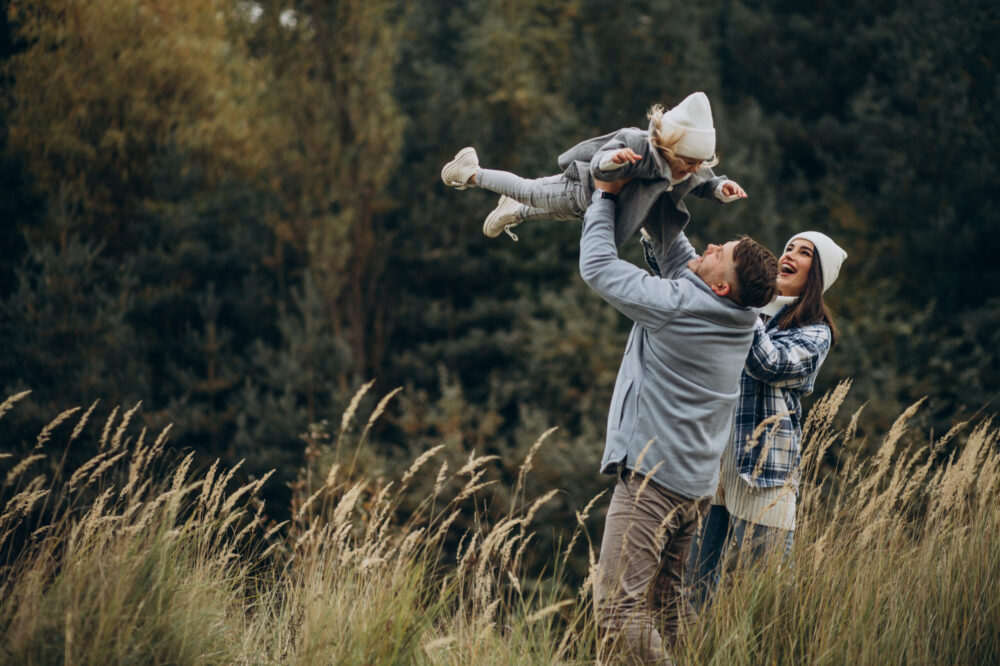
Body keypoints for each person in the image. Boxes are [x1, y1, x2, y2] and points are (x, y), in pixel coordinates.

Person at [579, 177, 778, 663]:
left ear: (721, 285)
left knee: (617, 613)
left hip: (651, 482)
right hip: (692, 489)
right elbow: (675, 248)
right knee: (668, 608)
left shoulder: (679, 307)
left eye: (720, 251)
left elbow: (598, 267)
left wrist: (605, 196)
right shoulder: (740, 319)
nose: (709, 244)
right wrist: (666, 181)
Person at [680, 230, 847, 606]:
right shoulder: (742, 308)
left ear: (817, 275)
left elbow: (768, 364)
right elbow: (692, 281)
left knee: (766, 597)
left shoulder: (814, 331)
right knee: (691, 593)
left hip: (763, 475)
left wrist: (748, 302)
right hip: (710, 469)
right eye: (789, 247)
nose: (790, 254)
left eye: (804, 253)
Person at [440, 91, 747, 244]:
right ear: (670, 147)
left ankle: (513, 211)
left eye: (700, 164)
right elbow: (601, 164)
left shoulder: (685, 170)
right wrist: (611, 162)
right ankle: (471, 172)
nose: (693, 170)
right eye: (689, 162)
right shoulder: (638, 144)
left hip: (595, 209)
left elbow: (702, 180)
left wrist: (719, 188)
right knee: (528, 190)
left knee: (554, 213)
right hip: (579, 188)